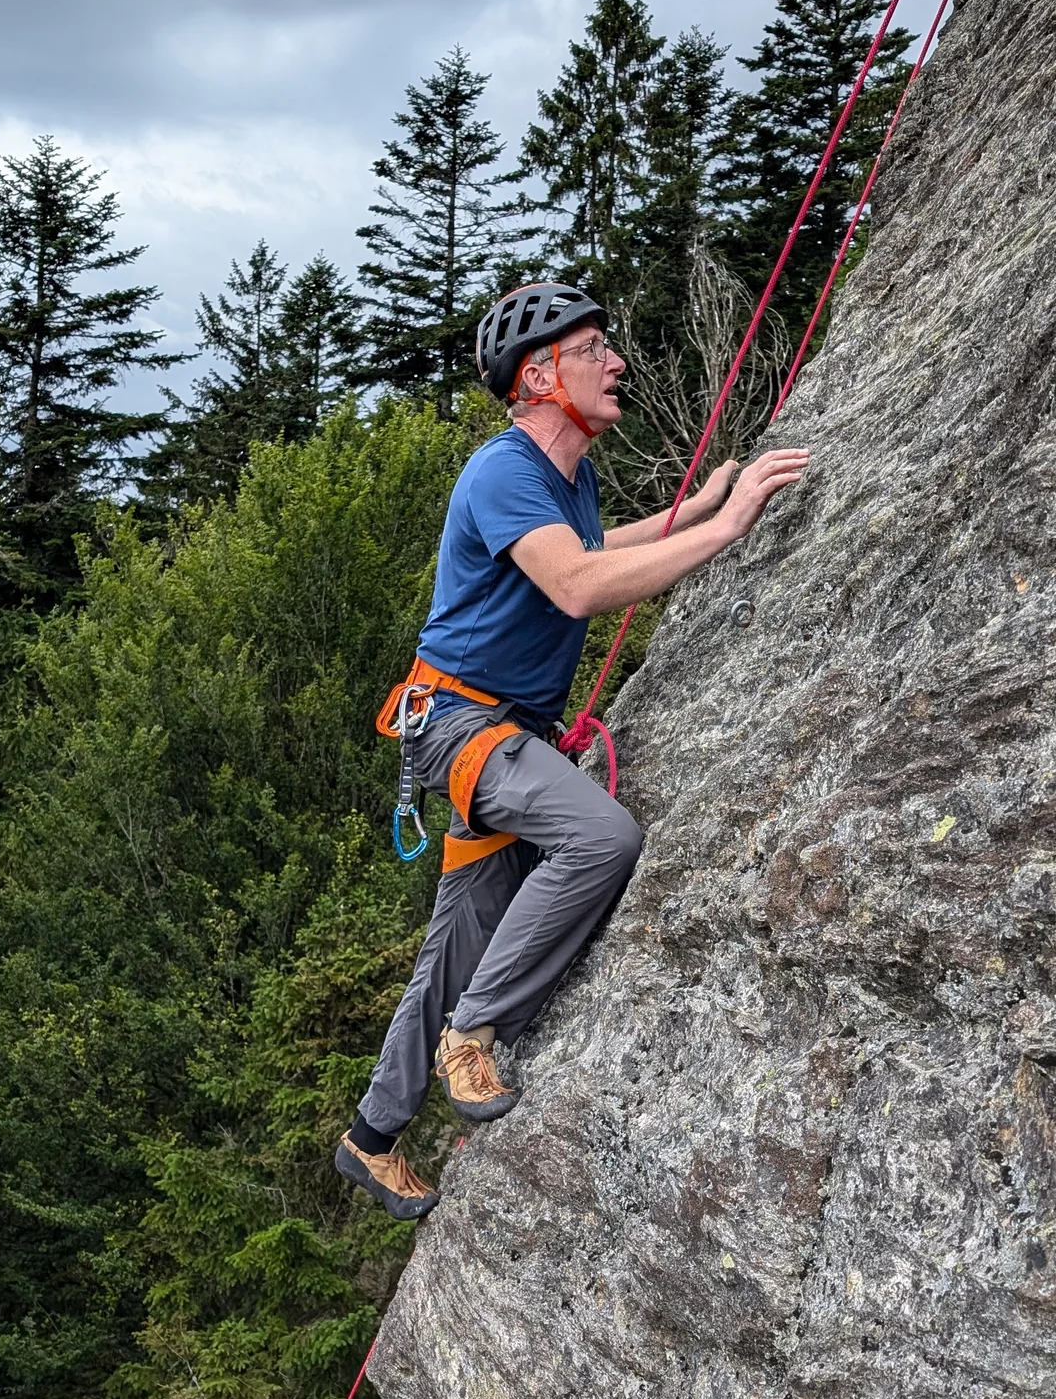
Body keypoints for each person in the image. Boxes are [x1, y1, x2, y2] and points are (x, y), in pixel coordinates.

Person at [335, 280, 810, 1219]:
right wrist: (725, 529)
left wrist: (695, 506)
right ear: (541, 374)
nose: (615, 360)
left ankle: (373, 1137)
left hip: (496, 736)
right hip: (463, 729)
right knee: (601, 837)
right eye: (594, 347)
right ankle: (473, 1035)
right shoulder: (505, 470)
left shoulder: (568, 476)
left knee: (455, 942)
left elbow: (596, 544)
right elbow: (579, 586)